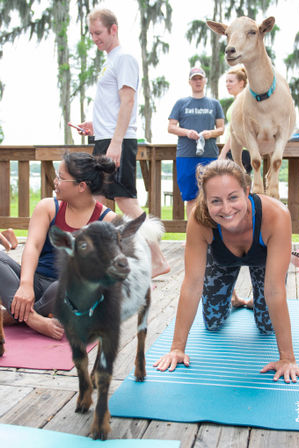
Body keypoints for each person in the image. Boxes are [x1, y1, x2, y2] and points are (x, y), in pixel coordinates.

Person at [154, 159, 299, 383]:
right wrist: (177, 348)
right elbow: (192, 284)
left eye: (233, 197)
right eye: (216, 201)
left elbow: (274, 290)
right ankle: (232, 297)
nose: (226, 209)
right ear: (206, 200)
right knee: (212, 323)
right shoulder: (199, 219)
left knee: (266, 326)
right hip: (222, 261)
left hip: (264, 262)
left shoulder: (276, 215)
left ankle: (255, 298)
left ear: (246, 191)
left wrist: (287, 358)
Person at [78, 8, 169, 278]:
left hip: (118, 142)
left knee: (124, 201)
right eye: (91, 33)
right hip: (106, 138)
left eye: (98, 33)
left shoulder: (125, 58)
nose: (94, 38)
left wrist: (116, 142)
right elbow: (114, 105)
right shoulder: (109, 61)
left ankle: (158, 259)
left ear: (113, 29)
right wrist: (94, 125)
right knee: (98, 200)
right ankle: (103, 261)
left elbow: (128, 100)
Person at [0, 152, 117, 340]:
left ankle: (14, 314)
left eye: (61, 178)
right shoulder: (47, 206)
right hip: (35, 283)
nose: (55, 181)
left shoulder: (107, 221)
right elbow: (33, 246)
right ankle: (34, 319)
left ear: (81, 186)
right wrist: (26, 285)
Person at [168, 66, 225, 220]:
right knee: (191, 198)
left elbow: (221, 129)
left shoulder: (214, 104)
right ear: (190, 82)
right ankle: (192, 236)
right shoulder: (181, 103)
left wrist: (210, 133)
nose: (198, 81)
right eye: (194, 79)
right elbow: (171, 127)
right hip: (186, 156)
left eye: (200, 78)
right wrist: (187, 132)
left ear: (205, 81)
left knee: (212, 197)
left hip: (209, 155)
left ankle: (212, 236)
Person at [219, 66, 252, 175]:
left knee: (236, 187)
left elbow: (236, 131)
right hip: (237, 151)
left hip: (239, 152)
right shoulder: (239, 101)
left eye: (231, 81)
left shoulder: (242, 102)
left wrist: (223, 154)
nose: (227, 84)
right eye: (226, 81)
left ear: (242, 83)